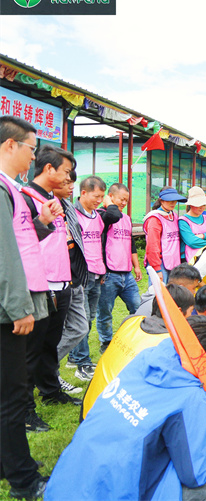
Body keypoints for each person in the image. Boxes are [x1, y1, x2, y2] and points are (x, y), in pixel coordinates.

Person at [45, 316, 206, 501]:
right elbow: (195, 475)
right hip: (118, 491)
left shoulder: (146, 357)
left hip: (65, 483)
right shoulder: (191, 397)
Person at [0, 115, 55, 499]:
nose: (33, 156)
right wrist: (20, 307)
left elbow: (17, 240)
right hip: (7, 311)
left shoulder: (11, 188)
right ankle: (23, 479)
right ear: (9, 145)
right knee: (14, 396)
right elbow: (4, 256)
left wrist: (39, 223)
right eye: (31, 149)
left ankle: (10, 466)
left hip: (11, 304)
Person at [19, 145, 81, 430]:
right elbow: (19, 242)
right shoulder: (25, 198)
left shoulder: (55, 200)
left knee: (49, 346)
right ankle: (23, 410)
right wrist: (43, 219)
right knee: (29, 352)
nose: (70, 179)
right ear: (49, 169)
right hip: (39, 287)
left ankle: (50, 392)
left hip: (61, 283)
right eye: (67, 172)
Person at [81, 283, 196, 421]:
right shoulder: (170, 345)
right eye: (190, 312)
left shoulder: (131, 321)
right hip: (120, 420)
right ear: (177, 311)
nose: (190, 318)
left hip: (88, 410)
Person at [69, 175, 122, 380]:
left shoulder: (97, 215)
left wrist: (101, 271)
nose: (99, 200)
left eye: (102, 197)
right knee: (80, 319)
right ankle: (82, 363)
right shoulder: (72, 215)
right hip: (80, 275)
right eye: (96, 196)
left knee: (89, 317)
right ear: (83, 193)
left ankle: (74, 356)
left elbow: (114, 215)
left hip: (97, 273)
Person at [52, 169, 92, 395]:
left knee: (79, 327)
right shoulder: (42, 205)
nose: (70, 187)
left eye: (72, 183)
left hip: (75, 277)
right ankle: (49, 375)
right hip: (55, 280)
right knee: (53, 332)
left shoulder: (68, 209)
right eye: (66, 182)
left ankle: (46, 369)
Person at [97, 183, 143, 354]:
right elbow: (112, 214)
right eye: (121, 199)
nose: (124, 202)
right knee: (105, 311)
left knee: (137, 306)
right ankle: (106, 342)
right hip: (109, 273)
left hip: (127, 274)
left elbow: (130, 244)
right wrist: (108, 203)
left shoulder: (127, 218)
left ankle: (137, 336)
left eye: (126, 200)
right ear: (110, 197)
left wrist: (136, 266)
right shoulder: (103, 216)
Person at [143, 186, 187, 283]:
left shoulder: (174, 215)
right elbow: (152, 246)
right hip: (160, 263)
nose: (173, 203)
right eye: (169, 200)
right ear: (161, 201)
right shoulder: (154, 219)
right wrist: (157, 268)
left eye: (175, 200)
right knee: (157, 295)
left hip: (173, 262)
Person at [136, 262, 202, 317]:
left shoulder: (166, 296)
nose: (194, 292)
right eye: (193, 288)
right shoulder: (161, 304)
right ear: (182, 287)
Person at [178, 186, 206, 262]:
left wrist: (203, 235)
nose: (202, 207)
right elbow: (192, 242)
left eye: (204, 205)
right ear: (191, 204)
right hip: (190, 260)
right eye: (198, 205)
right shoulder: (183, 221)